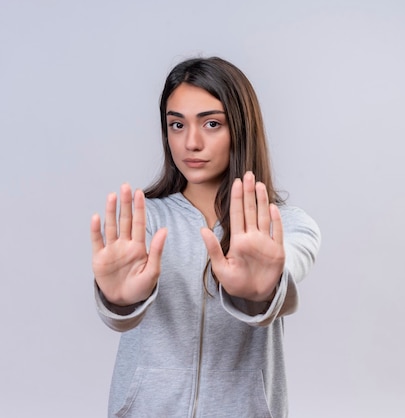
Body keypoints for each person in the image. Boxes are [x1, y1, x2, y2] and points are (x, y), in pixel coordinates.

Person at [91, 56, 321, 418]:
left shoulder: (286, 225)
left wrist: (261, 291)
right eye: (177, 124)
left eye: (211, 123)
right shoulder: (142, 221)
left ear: (241, 129)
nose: (190, 142)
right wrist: (118, 302)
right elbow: (123, 318)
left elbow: (287, 265)